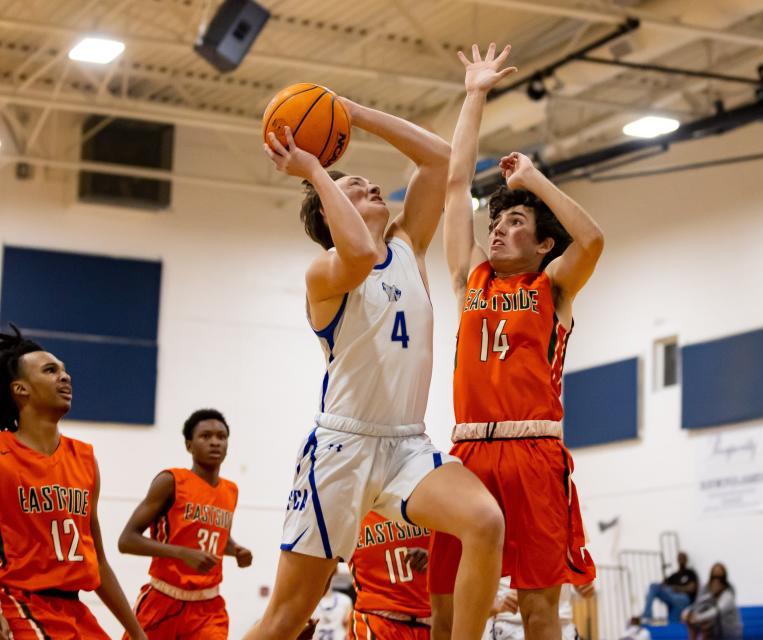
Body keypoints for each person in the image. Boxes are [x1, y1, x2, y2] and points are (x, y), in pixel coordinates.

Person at [247, 92, 504, 640]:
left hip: (407, 445)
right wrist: (315, 170)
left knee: (484, 522)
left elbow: (439, 158)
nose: (367, 184)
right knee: (288, 618)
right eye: (351, 187)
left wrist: (354, 114)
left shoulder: (409, 246)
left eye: (364, 180)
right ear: (327, 213)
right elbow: (359, 254)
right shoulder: (325, 273)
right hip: (341, 450)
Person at [431, 42, 603, 639]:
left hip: (534, 452)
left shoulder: (552, 288)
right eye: (497, 222)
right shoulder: (469, 277)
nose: (499, 229)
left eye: (515, 224)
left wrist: (534, 180)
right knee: (449, 609)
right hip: (470, 451)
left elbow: (593, 240)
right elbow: (456, 188)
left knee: (537, 609)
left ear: (541, 245)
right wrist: (475, 94)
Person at [0, 325, 146, 639]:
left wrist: (137, 633)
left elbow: (99, 564)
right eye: (50, 370)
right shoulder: (3, 455)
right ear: (20, 389)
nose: (65, 377)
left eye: (65, 371)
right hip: (17, 604)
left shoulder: (84, 460)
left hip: (74, 610)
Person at [118, 408, 253, 639]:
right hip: (163, 599)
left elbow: (217, 537)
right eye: (206, 436)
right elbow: (127, 540)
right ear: (189, 445)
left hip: (208, 607)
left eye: (221, 437)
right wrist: (182, 553)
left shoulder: (231, 490)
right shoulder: (170, 481)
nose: (215, 442)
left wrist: (235, 549)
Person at [348, 512, 431, 640]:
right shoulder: (352, 510)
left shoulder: (434, 504)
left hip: (433, 620)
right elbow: (324, 568)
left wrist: (438, 560)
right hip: (376, 619)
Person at [483, 578, 595, 640]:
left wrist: (586, 586)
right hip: (508, 627)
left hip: (563, 626)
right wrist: (495, 606)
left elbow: (585, 582)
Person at [682, 563, 742, 640]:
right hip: (715, 631)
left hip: (729, 634)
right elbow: (697, 604)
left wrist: (697, 618)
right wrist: (687, 612)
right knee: (693, 622)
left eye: (719, 579)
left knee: (706, 623)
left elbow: (717, 611)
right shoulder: (707, 591)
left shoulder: (728, 595)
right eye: (714, 578)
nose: (716, 583)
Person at [641, 552, 699, 623]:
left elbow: (692, 588)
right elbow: (662, 586)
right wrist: (663, 584)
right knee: (653, 586)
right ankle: (647, 616)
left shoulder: (690, 573)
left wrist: (676, 588)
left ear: (686, 560)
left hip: (684, 598)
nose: (681, 560)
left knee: (673, 621)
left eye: (683, 558)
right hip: (672, 597)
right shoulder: (674, 575)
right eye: (679, 558)